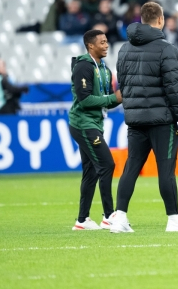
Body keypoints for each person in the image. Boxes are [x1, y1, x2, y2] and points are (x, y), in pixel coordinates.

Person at [112, 2, 178, 233]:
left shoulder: (124, 49)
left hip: (135, 120)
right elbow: (174, 86)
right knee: (166, 170)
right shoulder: (166, 48)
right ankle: (174, 219)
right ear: (160, 20)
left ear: (142, 20)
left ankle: (119, 218)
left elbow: (124, 85)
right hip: (162, 120)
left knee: (131, 168)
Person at [69, 30, 122, 231]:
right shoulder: (83, 66)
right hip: (83, 124)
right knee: (107, 164)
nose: (107, 45)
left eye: (107, 41)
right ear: (91, 46)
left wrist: (119, 97)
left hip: (94, 123)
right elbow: (85, 99)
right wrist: (113, 98)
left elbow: (108, 101)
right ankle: (109, 216)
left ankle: (82, 220)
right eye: (102, 42)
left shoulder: (104, 69)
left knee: (91, 171)